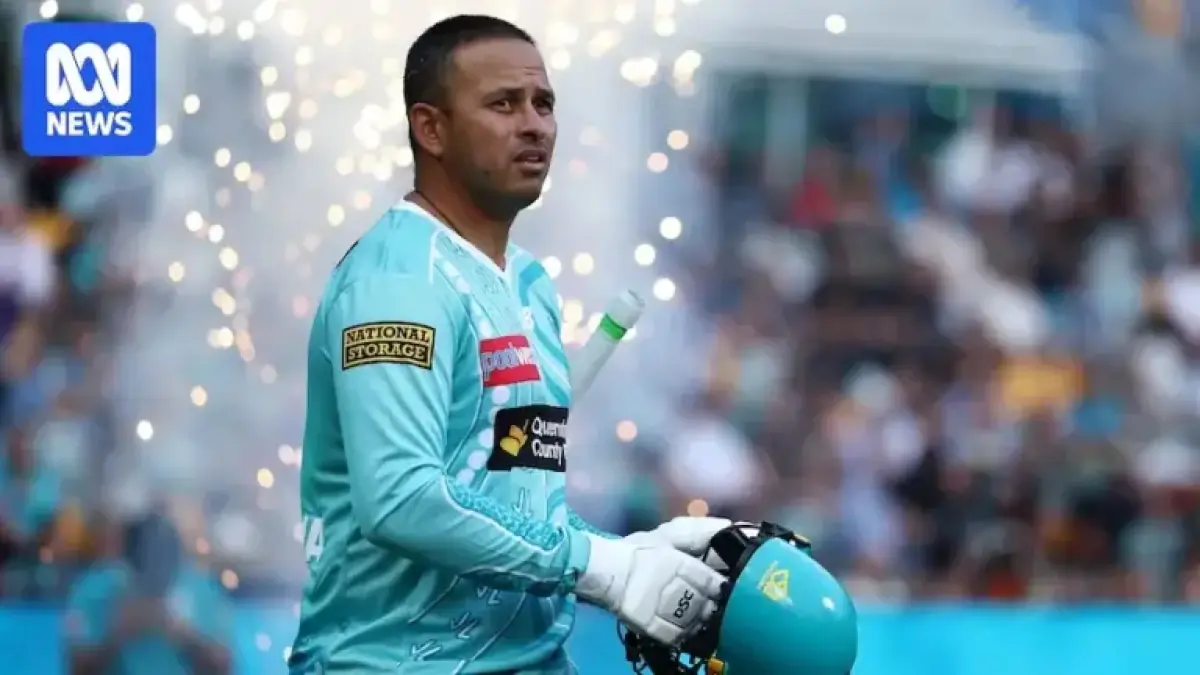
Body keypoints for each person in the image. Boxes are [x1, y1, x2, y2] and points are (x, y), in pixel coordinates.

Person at [289, 14, 730, 674]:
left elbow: (513, 505)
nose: (535, 125)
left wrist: (636, 552)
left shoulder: (528, 282)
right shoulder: (399, 281)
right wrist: (602, 566)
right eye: (503, 104)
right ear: (430, 128)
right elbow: (402, 500)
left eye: (543, 103)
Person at [64, 512, 232, 675]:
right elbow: (76, 669)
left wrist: (185, 636)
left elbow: (223, 668)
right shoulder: (96, 591)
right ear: (127, 563)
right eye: (148, 570)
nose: (157, 579)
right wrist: (117, 635)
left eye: (165, 567)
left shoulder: (201, 590)